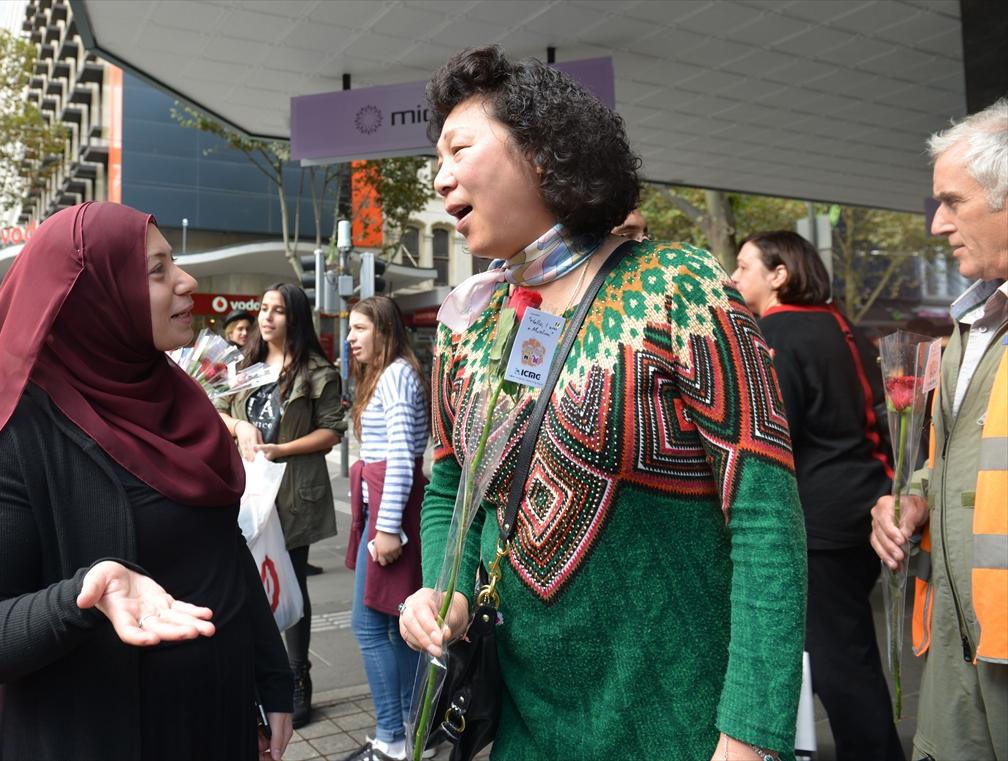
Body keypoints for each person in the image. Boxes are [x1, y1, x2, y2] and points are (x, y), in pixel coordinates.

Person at [397, 46, 805, 761]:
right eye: (437, 159)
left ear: (543, 154)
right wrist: (446, 591)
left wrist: (750, 732)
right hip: (523, 731)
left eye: (459, 149)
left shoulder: (679, 286)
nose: (440, 177)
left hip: (687, 730)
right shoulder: (470, 327)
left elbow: (764, 512)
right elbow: (450, 484)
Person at [0, 202, 294, 761]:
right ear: (93, 301)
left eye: (174, 262)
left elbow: (224, 550)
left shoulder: (184, 401)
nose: (186, 281)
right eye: (157, 270)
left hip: (218, 722)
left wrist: (272, 679)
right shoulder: (21, 437)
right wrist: (82, 596)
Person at [870, 97, 1007, 761]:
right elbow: (959, 461)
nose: (937, 223)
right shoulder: (970, 328)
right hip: (959, 652)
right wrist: (916, 496)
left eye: (952, 201)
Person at [731, 231, 902, 760]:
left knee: (840, 662)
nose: (733, 277)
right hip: (864, 501)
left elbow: (775, 433)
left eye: (743, 267)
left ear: (778, 275)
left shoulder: (777, 332)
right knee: (836, 650)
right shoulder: (837, 324)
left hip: (820, 518)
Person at [215, 282, 345, 729]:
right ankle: (253, 680)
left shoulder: (316, 371)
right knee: (243, 584)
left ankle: (296, 678)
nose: (266, 317)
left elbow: (331, 430)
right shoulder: (242, 365)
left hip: (292, 493)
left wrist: (281, 449)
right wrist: (239, 427)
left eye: (278, 310)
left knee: (290, 584)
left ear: (295, 319)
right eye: (264, 308)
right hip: (244, 491)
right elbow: (213, 408)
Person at [342, 296, 429, 761]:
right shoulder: (391, 373)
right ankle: (415, 734)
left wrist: (388, 528)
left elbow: (399, 457)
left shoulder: (395, 374)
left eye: (359, 328)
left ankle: (394, 737)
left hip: (389, 512)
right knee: (399, 626)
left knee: (371, 625)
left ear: (384, 330)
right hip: (383, 510)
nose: (350, 338)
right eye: (349, 329)